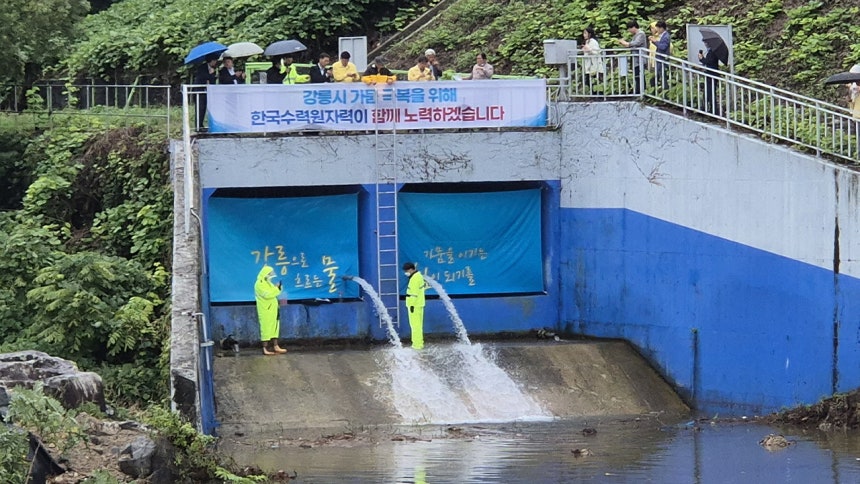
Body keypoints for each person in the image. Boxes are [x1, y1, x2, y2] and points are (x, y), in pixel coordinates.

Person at [255, 265, 287, 355]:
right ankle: (265, 348)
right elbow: (268, 295)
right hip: (265, 310)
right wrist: (277, 289)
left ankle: (276, 346)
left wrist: (278, 287)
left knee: (275, 327)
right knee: (266, 328)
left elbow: (275, 292)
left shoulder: (268, 282)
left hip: (273, 309)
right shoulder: (259, 284)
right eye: (270, 274)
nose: (271, 276)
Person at [616, 20, 647, 94]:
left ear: (633, 27)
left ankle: (641, 91)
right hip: (636, 60)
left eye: (629, 29)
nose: (629, 31)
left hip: (640, 59)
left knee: (639, 76)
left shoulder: (641, 34)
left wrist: (626, 43)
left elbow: (636, 43)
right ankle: (638, 91)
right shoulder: (635, 35)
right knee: (637, 76)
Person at [403, 262, 426, 350]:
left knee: (415, 326)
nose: (406, 273)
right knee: (418, 325)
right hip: (419, 304)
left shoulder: (415, 279)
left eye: (407, 271)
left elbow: (413, 294)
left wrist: (411, 305)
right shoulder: (418, 276)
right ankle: (419, 343)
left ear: (411, 269)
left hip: (414, 305)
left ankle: (417, 345)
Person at [193, 54, 219, 129]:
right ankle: (198, 125)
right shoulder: (202, 67)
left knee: (204, 108)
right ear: (211, 61)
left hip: (207, 90)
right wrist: (211, 74)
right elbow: (203, 77)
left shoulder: (213, 68)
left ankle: (201, 125)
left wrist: (214, 76)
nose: (215, 62)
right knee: (200, 107)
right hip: (199, 90)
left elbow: (212, 80)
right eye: (214, 61)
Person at [698, 45, 722, 114]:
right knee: (708, 93)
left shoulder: (712, 52)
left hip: (712, 75)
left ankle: (713, 110)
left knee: (710, 93)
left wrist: (701, 59)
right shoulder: (711, 52)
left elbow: (709, 62)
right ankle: (706, 109)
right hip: (710, 75)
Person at [581, 27, 604, 94]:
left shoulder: (593, 42)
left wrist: (589, 50)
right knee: (589, 82)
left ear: (590, 34)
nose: (584, 35)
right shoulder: (587, 41)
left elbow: (596, 52)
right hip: (589, 65)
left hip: (594, 65)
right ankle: (594, 94)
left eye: (585, 33)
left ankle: (598, 95)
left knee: (594, 81)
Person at [649, 20, 671, 90]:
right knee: (660, 75)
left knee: (662, 75)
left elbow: (663, 47)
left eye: (657, 28)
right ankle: (660, 89)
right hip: (659, 58)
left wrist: (655, 42)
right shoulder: (663, 35)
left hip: (662, 58)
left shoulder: (666, 36)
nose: (656, 30)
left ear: (661, 28)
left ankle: (665, 90)